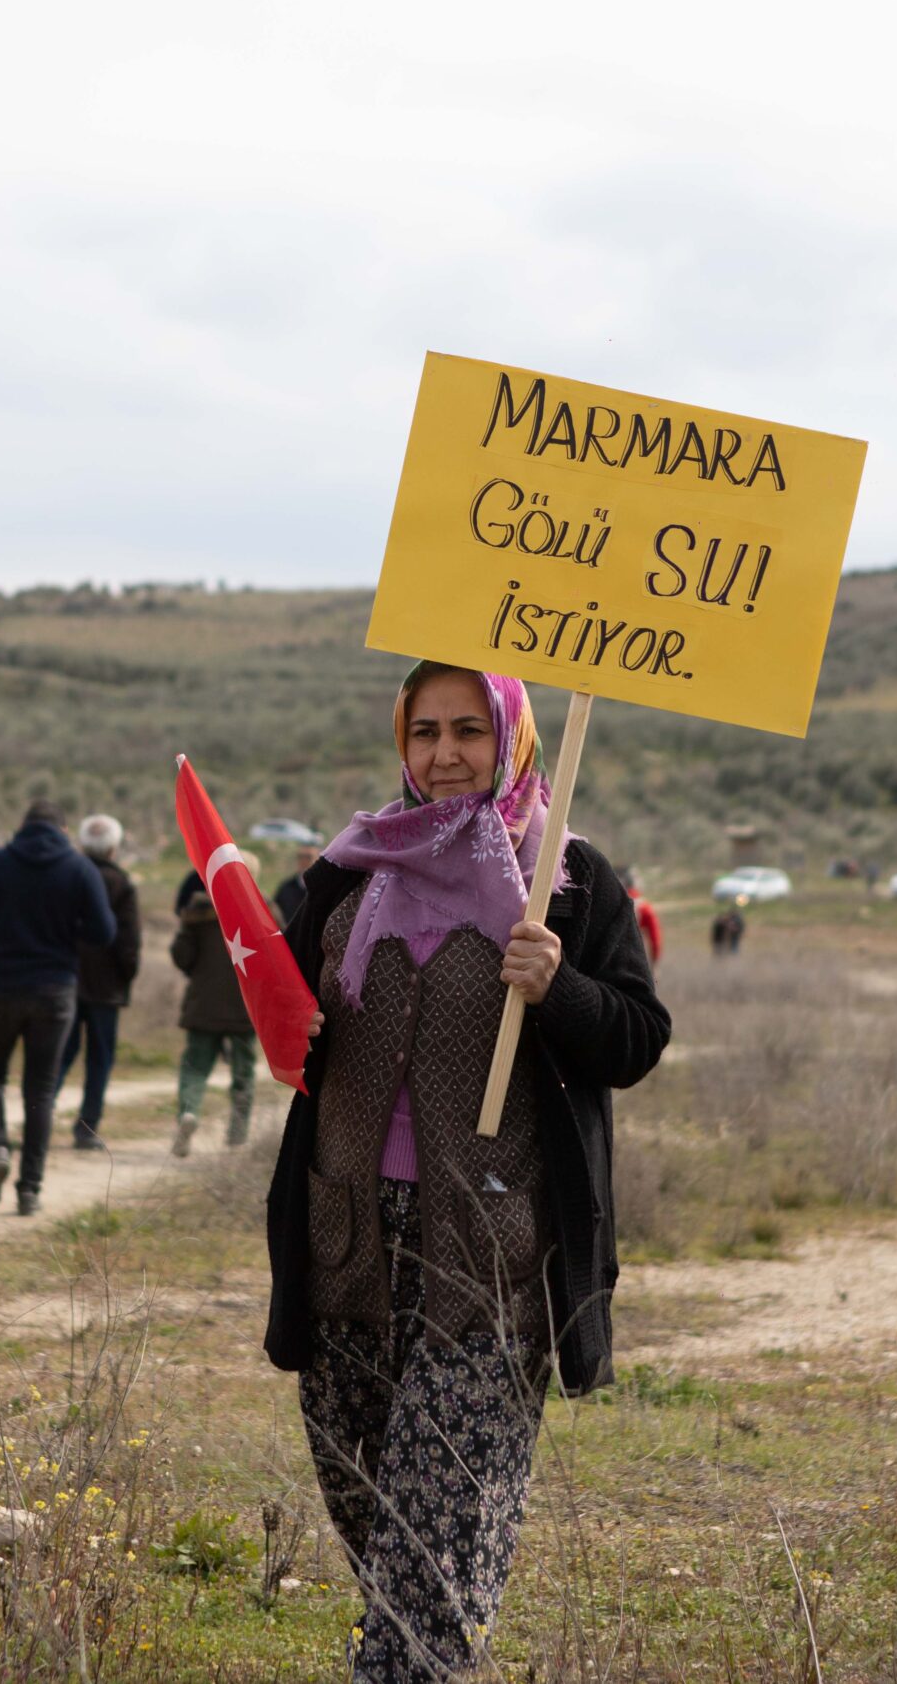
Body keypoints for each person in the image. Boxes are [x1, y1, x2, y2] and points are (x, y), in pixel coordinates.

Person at [265, 662, 670, 1682]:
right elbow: (285, 1012)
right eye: (425, 731)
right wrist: (276, 1013)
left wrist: (560, 985)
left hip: (490, 1264)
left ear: (512, 738)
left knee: (432, 1549)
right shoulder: (348, 870)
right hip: (346, 1249)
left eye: (468, 731)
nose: (444, 754)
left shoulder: (567, 880)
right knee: (373, 1521)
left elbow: (636, 1037)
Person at [0, 802, 116, 1216]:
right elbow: (104, 932)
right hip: (55, 991)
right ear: (65, 830)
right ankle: (29, 1190)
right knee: (40, 1091)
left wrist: (0, 937)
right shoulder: (80, 870)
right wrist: (66, 934)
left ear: (22, 826)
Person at [55, 813, 140, 1152]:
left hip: (65, 980)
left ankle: (39, 1113)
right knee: (99, 1059)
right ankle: (87, 1129)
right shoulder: (121, 883)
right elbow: (129, 940)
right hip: (106, 988)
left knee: (60, 1053)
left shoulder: (66, 877)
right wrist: (126, 976)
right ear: (113, 848)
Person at [170, 852, 259, 1156]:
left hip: (203, 1005)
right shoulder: (264, 912)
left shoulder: (198, 912)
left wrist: (187, 927)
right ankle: (237, 1136)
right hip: (246, 1009)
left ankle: (189, 1113)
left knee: (195, 1068)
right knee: (243, 1074)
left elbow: (182, 957)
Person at [274, 841, 320, 928]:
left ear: (318, 859)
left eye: (308, 857)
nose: (303, 861)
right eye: (300, 857)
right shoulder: (286, 888)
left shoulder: (324, 889)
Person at [624, 868, 663, 967]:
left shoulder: (617, 903)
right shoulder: (645, 907)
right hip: (637, 955)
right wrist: (654, 962)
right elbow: (655, 940)